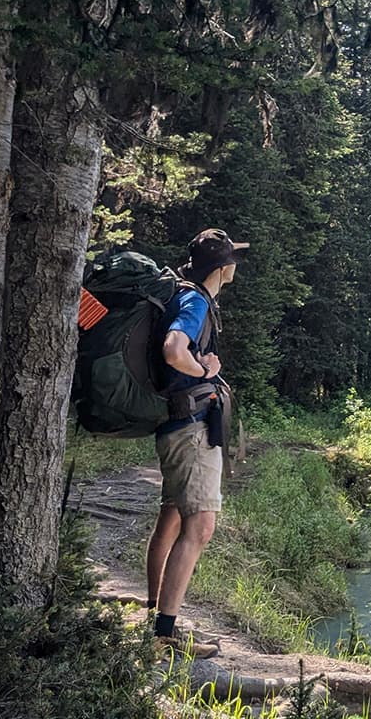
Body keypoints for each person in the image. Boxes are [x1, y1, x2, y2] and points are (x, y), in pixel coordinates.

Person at [144, 228, 248, 658]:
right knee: (201, 526)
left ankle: (155, 610)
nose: (236, 266)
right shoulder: (196, 301)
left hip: (176, 425)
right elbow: (173, 349)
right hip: (190, 428)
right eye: (233, 260)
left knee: (172, 516)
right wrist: (204, 373)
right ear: (223, 268)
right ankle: (165, 633)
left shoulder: (187, 295)